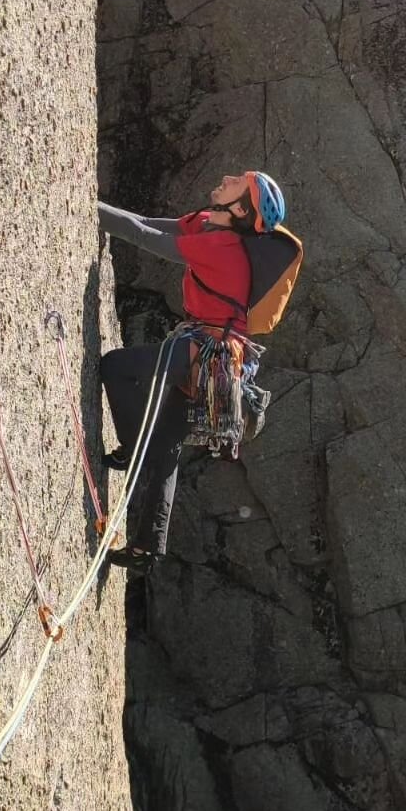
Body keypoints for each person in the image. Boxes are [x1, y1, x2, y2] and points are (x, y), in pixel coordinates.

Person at [98, 170, 289, 574]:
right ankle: (147, 546)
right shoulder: (206, 222)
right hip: (214, 356)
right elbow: (146, 223)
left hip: (211, 352)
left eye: (239, 181)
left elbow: (144, 238)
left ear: (239, 208)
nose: (227, 176)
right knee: (166, 442)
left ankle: (134, 451)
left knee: (117, 367)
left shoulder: (224, 245)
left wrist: (81, 205)